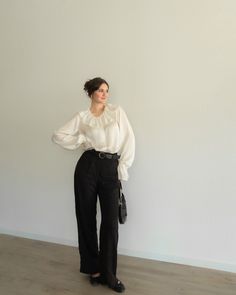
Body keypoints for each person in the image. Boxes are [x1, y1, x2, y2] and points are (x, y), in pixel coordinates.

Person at [51, 77, 135, 293]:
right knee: (86, 217)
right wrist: (80, 141)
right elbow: (58, 136)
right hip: (87, 167)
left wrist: (122, 169)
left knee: (110, 222)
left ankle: (110, 274)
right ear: (91, 93)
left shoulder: (116, 112)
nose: (105, 94)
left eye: (107, 90)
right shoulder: (82, 117)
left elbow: (128, 140)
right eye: (100, 90)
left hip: (110, 167)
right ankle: (93, 269)